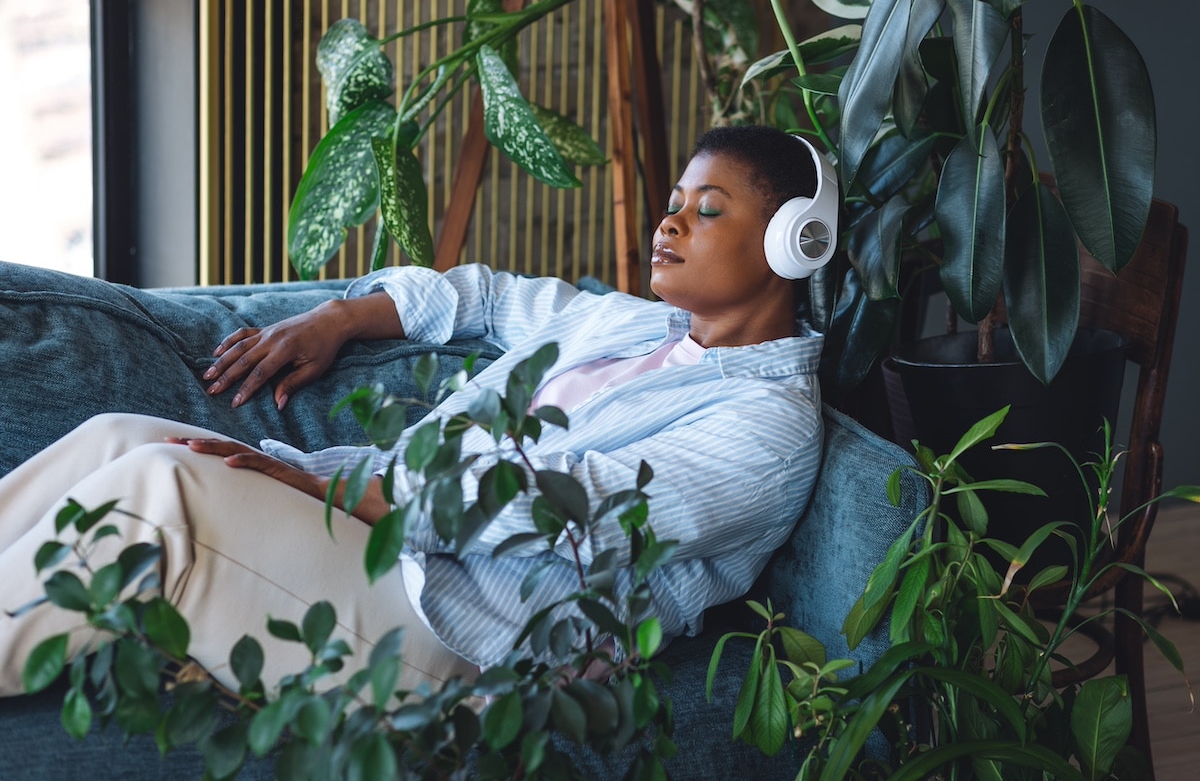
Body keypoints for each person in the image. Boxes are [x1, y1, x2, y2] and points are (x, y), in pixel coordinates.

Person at [0, 125, 829, 697]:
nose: (671, 220)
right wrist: (340, 317)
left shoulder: (771, 423)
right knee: (119, 438)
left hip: (470, 638)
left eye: (708, 209)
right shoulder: (628, 324)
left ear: (795, 242)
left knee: (164, 494)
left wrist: (342, 491)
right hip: (389, 553)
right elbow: (489, 296)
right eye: (677, 197)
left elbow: (575, 511)